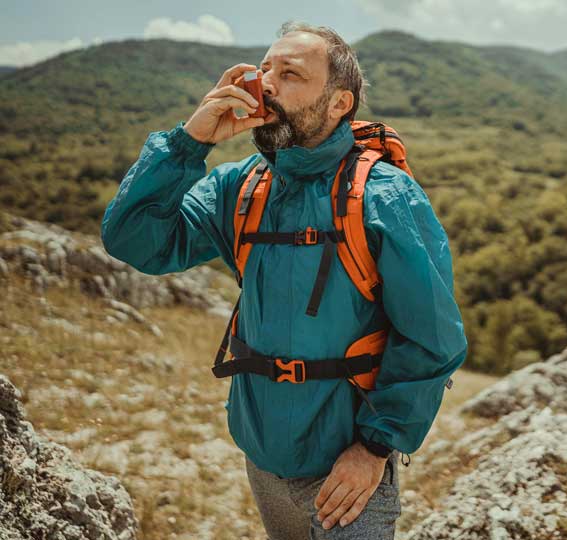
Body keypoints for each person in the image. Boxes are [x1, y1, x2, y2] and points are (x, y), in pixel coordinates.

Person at [101, 21, 468, 540]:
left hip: (346, 471)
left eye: (291, 73)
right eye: (264, 68)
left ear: (340, 103)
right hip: (262, 454)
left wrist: (374, 450)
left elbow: (433, 338)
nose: (267, 82)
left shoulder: (387, 196)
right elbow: (134, 239)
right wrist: (188, 143)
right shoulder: (240, 186)